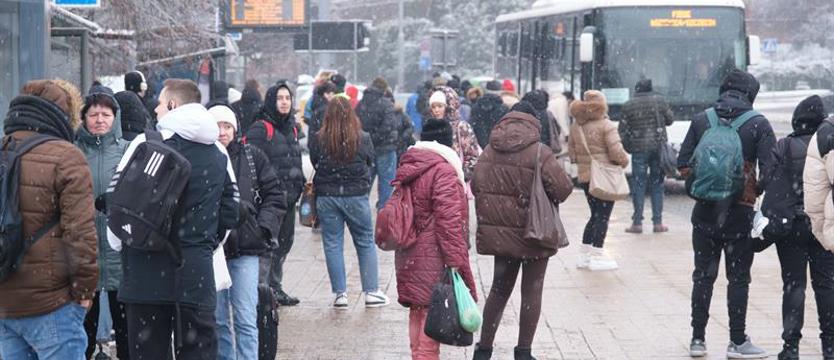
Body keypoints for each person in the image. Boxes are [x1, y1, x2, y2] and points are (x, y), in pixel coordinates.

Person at [112, 78, 240, 359]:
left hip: (144, 271)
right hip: (196, 273)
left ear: (172, 104)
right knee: (198, 352)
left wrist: (128, 243)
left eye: (159, 104)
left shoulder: (145, 143)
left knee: (149, 352)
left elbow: (117, 201)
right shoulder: (217, 151)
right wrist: (204, 243)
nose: (156, 110)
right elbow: (231, 209)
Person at [676, 69, 774, 358]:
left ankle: (697, 339)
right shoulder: (758, 124)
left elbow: (682, 164)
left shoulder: (701, 119)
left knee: (703, 277)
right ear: (750, 94)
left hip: (704, 214)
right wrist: (750, 190)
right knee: (739, 278)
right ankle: (737, 341)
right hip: (739, 215)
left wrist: (706, 186)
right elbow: (770, 171)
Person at [0, 79, 97, 359]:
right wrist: (84, 290)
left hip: (6, 302)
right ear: (66, 115)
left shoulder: (3, 149)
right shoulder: (67, 157)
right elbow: (80, 233)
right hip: (51, 302)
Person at [472, 110, 573, 360]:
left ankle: (484, 349)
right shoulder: (540, 152)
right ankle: (523, 352)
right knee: (531, 291)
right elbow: (562, 189)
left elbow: (476, 185)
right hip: (534, 232)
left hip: (502, 235)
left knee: (498, 290)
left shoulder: (489, 150)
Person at [394, 118, 478, 359]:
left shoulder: (409, 164)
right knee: (432, 315)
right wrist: (456, 262)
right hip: (434, 255)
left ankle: (417, 355)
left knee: (418, 310)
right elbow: (449, 223)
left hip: (408, 253)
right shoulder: (444, 171)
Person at [210, 105, 286, 360]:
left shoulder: (253, 157)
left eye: (227, 126)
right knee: (218, 319)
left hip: (246, 249)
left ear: (235, 129)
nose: (222, 132)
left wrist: (261, 228)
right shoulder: (203, 157)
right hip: (214, 250)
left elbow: (274, 195)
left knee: (245, 316)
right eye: (217, 126)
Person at [309, 97, 389, 309]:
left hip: (327, 197)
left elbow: (314, 162)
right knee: (364, 241)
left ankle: (340, 294)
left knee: (333, 244)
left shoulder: (320, 138)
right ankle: (371, 292)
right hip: (356, 197)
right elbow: (370, 161)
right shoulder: (362, 137)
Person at [75, 85, 130, 360]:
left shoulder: (128, 151)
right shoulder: (72, 152)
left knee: (128, 333)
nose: (99, 120)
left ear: (115, 117)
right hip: (84, 257)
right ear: (83, 117)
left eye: (106, 114)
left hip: (121, 255)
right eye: (93, 114)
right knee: (82, 334)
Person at [776, 96, 833, 359]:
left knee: (793, 285)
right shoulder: (826, 142)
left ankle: (791, 347)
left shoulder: (785, 145)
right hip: (821, 223)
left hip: (791, 226)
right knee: (826, 285)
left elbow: (769, 183)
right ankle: (830, 345)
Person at [246, 81, 306, 306]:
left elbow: (295, 159)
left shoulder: (291, 128)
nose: (284, 102)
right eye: (280, 98)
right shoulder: (261, 128)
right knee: (268, 244)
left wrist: (297, 185)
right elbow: (251, 161)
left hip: (288, 199)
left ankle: (275, 287)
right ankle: (263, 291)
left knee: (284, 243)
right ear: (272, 100)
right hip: (269, 200)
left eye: (287, 98)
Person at [568, 90, 629, 271]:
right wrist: (624, 161)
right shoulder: (606, 125)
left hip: (586, 177)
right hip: (603, 176)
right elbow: (616, 151)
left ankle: (585, 255)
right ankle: (597, 255)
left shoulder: (576, 126)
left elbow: (572, 154)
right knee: (603, 216)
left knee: (594, 215)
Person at [618, 79, 675, 234]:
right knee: (657, 184)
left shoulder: (628, 105)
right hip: (658, 149)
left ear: (636, 89)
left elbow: (622, 131)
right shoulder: (660, 102)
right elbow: (670, 120)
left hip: (638, 150)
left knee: (638, 185)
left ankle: (637, 223)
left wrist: (630, 146)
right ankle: (658, 223)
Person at [356, 77, 400, 210]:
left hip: (366, 150)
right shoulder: (386, 104)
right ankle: (384, 212)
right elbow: (389, 126)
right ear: (384, 89)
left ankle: (361, 209)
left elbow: (356, 124)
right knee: (386, 183)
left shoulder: (361, 103)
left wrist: (368, 140)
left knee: (365, 182)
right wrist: (377, 138)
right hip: (386, 149)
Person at [427, 86, 482, 182]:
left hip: (456, 181)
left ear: (448, 106)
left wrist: (461, 176)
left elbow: (472, 156)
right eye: (433, 107)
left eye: (440, 106)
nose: (436, 110)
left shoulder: (461, 127)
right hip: (435, 180)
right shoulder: (429, 127)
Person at [470, 81, 509, 148]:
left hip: (478, 145)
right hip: (497, 146)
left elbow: (473, 125)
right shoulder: (503, 108)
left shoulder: (476, 106)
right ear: (499, 92)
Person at [385, 89, 415, 159]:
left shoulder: (401, 114)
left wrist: (402, 138)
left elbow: (410, 127)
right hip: (388, 148)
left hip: (400, 148)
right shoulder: (383, 115)